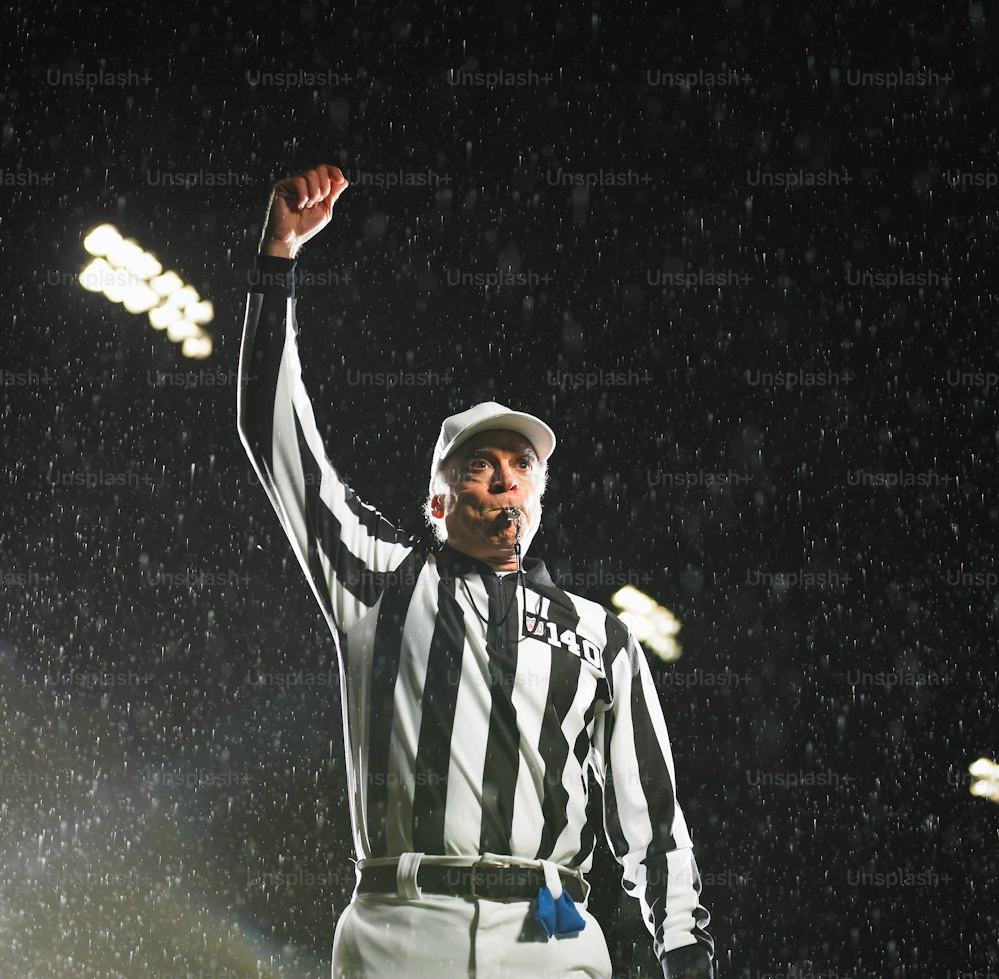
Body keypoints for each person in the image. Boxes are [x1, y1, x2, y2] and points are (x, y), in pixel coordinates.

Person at [237, 163, 716, 979]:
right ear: (436, 502)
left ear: (539, 499)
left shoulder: (601, 636)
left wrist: (683, 950)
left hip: (551, 929)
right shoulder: (377, 578)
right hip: (401, 927)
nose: (505, 475)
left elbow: (652, 821)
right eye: (479, 463)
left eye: (522, 464)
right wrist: (277, 254)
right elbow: (273, 431)